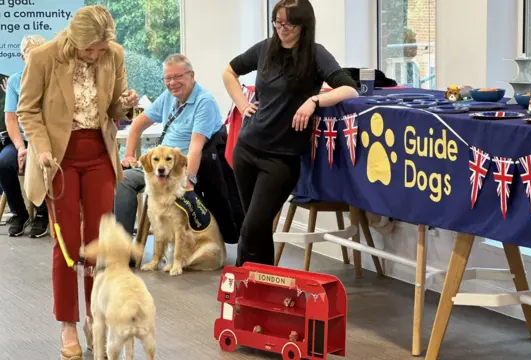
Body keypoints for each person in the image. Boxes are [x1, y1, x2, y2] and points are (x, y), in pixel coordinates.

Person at [16, 5, 139, 359]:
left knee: (99, 244)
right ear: (75, 38)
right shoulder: (44, 57)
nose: (96, 55)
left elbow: (114, 110)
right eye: (90, 50)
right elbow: (28, 110)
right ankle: (67, 323)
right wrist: (40, 149)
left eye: (101, 49)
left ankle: (94, 316)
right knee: (67, 245)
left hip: (99, 154)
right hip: (58, 159)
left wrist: (125, 104)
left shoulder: (112, 54)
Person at [222, 0, 359, 266]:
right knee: (257, 230)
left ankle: (242, 292)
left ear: (303, 25)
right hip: (247, 149)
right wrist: (242, 103)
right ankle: (262, 290)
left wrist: (314, 101)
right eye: (277, 21)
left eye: (289, 23)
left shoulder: (315, 54)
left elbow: (349, 89)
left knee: (251, 229)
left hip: (281, 159)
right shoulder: (264, 49)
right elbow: (229, 71)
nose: (281, 28)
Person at [115, 54, 238, 242]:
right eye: (168, 78)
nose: (172, 83)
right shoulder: (168, 97)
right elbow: (138, 123)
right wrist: (129, 155)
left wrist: (188, 180)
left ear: (191, 75)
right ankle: (122, 248)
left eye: (178, 77)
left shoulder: (204, 102)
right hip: (158, 164)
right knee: (123, 179)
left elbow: (196, 148)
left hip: (180, 169)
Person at [1, 34, 49, 237]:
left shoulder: (54, 80)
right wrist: (21, 147)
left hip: (46, 140)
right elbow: (11, 119)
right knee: (4, 162)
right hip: (21, 139)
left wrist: (37, 147)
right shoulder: (15, 81)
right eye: (31, 55)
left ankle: (42, 214)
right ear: (23, 58)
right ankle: (19, 214)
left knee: (42, 162)